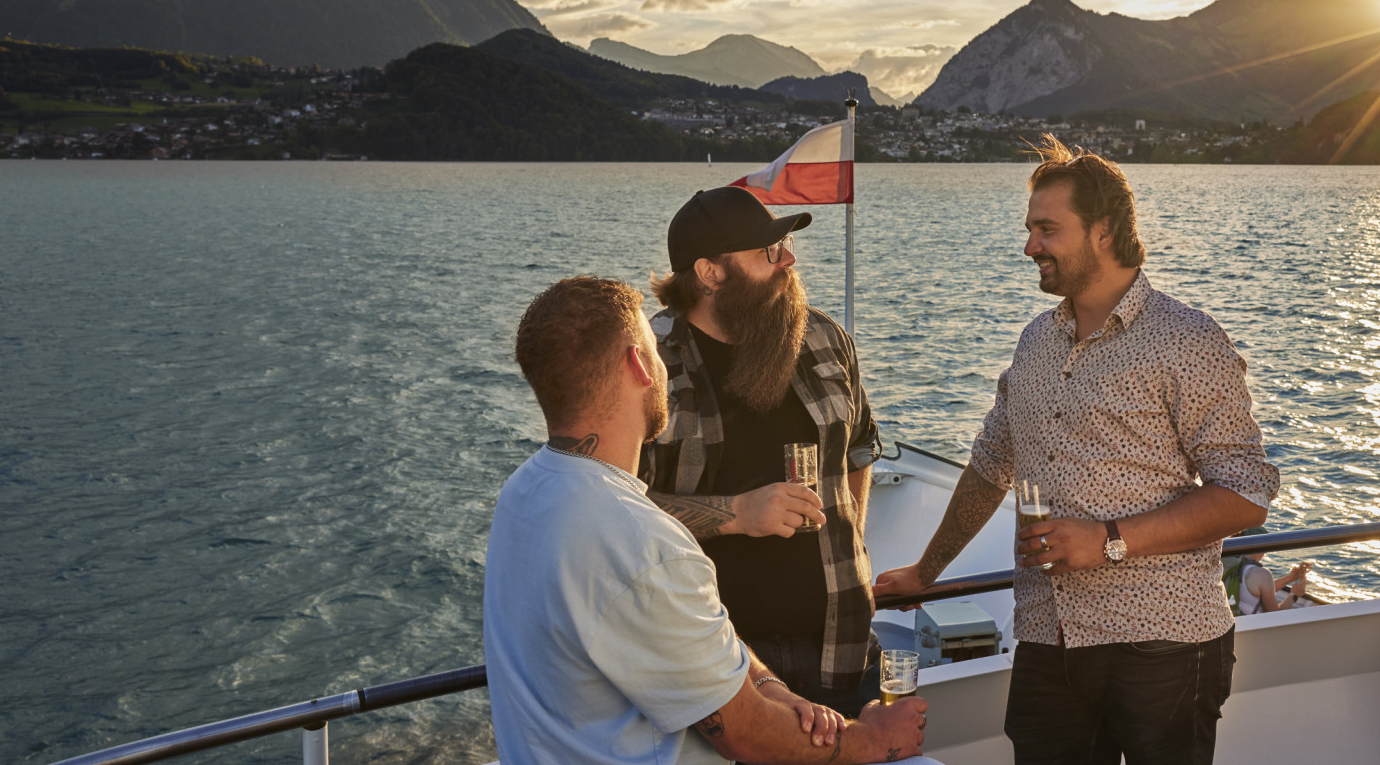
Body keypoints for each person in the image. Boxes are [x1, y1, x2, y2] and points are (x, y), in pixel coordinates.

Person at [873, 137, 1281, 765]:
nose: (1030, 246)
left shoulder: (1188, 340)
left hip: (1164, 643)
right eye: (1030, 228)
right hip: (1047, 638)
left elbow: (1245, 494)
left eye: (1046, 229)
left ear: (1103, 231)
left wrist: (1107, 539)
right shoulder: (1035, 343)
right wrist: (927, 573)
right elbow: (990, 466)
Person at [485, 276, 928, 765]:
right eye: (654, 348)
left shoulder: (522, 496)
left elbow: (690, 640)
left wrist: (775, 690)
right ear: (640, 365)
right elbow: (746, 736)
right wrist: (875, 738)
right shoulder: (645, 542)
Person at [640, 187, 884, 717]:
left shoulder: (822, 337)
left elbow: (860, 451)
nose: (789, 260)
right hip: (720, 662)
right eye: (768, 251)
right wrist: (736, 514)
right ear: (709, 273)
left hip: (844, 647)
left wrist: (853, 544)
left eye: (786, 244)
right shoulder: (647, 363)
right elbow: (615, 507)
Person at [1227, 528, 1310, 615]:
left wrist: (1290, 578)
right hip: (1252, 626)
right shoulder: (1261, 574)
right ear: (1260, 546)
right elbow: (1274, 617)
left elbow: (1259, 589)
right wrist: (1294, 596)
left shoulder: (1229, 565)